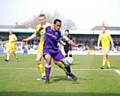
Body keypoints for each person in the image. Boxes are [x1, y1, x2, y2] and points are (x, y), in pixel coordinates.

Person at [43, 19, 81, 83]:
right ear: (54, 24)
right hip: (47, 49)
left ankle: (69, 73)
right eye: (57, 25)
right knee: (48, 60)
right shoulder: (47, 28)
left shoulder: (59, 33)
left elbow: (68, 40)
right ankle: (47, 79)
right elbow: (40, 28)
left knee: (66, 62)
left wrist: (76, 45)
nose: (59, 27)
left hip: (55, 50)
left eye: (60, 26)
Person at [23, 14, 50, 80]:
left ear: (45, 19)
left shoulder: (49, 26)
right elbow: (35, 35)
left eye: (43, 19)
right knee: (37, 60)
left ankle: (67, 72)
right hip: (41, 45)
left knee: (48, 61)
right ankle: (43, 75)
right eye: (40, 20)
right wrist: (27, 39)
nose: (41, 21)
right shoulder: (38, 26)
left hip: (48, 45)